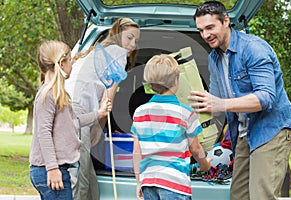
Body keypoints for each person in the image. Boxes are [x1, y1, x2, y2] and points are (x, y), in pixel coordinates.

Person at [189, 1, 291, 200]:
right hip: (243, 133)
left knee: (261, 196)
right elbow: (215, 104)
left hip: (271, 129)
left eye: (210, 27)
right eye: (201, 30)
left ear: (226, 21)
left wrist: (220, 104)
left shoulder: (253, 49)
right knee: (238, 195)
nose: (205, 35)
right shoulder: (214, 58)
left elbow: (265, 97)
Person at [65, 18, 140, 200]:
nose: (132, 44)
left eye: (136, 41)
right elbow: (108, 98)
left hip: (72, 109)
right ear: (117, 34)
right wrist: (99, 127)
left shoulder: (97, 51)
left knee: (88, 178)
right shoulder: (118, 53)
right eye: (129, 37)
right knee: (80, 178)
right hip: (77, 111)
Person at [29, 40, 112, 200]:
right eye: (71, 61)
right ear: (61, 63)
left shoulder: (58, 94)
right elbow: (43, 133)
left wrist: (99, 113)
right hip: (50, 170)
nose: (72, 65)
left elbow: (74, 121)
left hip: (57, 169)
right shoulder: (47, 95)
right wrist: (52, 169)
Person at [131, 54, 212, 200]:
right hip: (175, 183)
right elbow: (196, 149)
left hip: (148, 182)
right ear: (176, 81)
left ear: (149, 84)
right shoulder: (186, 112)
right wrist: (205, 164)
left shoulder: (139, 112)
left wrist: (139, 182)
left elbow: (137, 152)